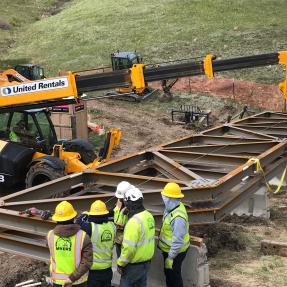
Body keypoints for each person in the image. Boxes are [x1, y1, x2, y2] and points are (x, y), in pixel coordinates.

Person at [47, 201, 93, 287]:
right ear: (73, 218)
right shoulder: (83, 236)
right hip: (78, 281)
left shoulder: (50, 235)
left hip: (58, 281)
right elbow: (87, 262)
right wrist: (71, 278)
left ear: (56, 219)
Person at [117, 187, 155, 287]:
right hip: (146, 263)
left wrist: (120, 263)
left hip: (133, 266)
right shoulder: (148, 216)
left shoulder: (133, 222)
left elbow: (129, 249)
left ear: (129, 202)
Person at [76, 200, 116, 287]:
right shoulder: (112, 226)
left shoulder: (90, 227)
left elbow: (78, 221)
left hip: (93, 271)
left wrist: (85, 213)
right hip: (108, 269)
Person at [158, 182, 190, 287]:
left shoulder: (178, 217)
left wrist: (171, 257)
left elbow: (178, 241)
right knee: (169, 275)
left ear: (171, 198)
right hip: (169, 250)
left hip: (175, 253)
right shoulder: (172, 207)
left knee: (174, 278)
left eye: (165, 197)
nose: (164, 199)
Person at [113, 181, 133, 256]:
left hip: (127, 239)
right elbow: (115, 211)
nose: (119, 199)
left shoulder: (132, 205)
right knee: (119, 259)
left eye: (121, 198)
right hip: (118, 238)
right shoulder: (119, 200)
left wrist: (124, 227)